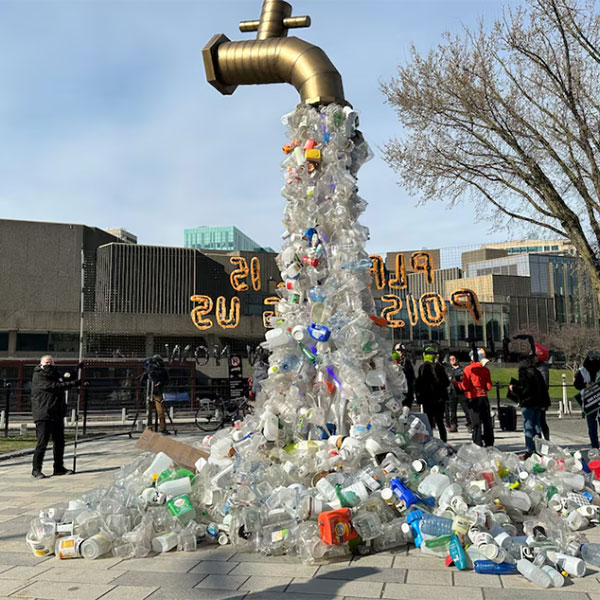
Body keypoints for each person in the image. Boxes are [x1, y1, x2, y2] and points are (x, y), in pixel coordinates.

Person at [31, 355, 79, 479]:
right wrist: (72, 384)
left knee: (59, 442)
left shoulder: (56, 375)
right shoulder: (38, 376)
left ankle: (58, 467)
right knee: (42, 442)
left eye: (51, 363)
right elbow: (54, 387)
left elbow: (64, 379)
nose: (49, 365)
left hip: (57, 413)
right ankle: (36, 469)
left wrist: (75, 371)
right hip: (43, 413)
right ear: (41, 364)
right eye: (47, 363)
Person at [508, 355, 551, 459]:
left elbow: (525, 389)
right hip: (538, 403)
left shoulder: (524, 372)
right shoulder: (537, 372)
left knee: (528, 427)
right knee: (537, 427)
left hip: (528, 403)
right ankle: (538, 450)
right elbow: (543, 389)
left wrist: (514, 389)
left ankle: (529, 450)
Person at [457, 348, 494, 447]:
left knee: (476, 423)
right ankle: (489, 442)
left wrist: (457, 384)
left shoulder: (468, 369)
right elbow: (489, 386)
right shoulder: (485, 369)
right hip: (483, 397)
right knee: (487, 421)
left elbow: (465, 386)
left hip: (472, 398)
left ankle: (478, 442)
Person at [415, 347, 449, 442]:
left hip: (427, 399)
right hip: (439, 399)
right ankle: (444, 441)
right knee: (440, 422)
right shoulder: (440, 367)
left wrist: (419, 398)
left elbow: (419, 384)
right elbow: (446, 382)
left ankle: (430, 440)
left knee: (429, 422)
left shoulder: (422, 368)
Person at [574, 349, 600, 448]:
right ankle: (595, 446)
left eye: (597, 358)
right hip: (588, 400)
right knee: (592, 425)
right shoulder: (582, 371)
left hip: (598, 397)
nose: (595, 360)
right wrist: (585, 385)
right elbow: (576, 384)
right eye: (592, 358)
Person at [141, 355, 170, 434]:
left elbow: (167, 381)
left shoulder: (163, 370)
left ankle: (163, 428)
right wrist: (149, 384)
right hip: (149, 392)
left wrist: (160, 383)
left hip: (158, 393)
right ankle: (149, 428)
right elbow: (142, 380)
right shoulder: (149, 369)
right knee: (149, 412)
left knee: (160, 411)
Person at [444, 354, 472, 433]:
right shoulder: (448, 370)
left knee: (466, 409)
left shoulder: (463, 369)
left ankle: (470, 424)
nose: (452, 360)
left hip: (461, 391)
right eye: (450, 359)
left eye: (453, 359)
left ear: (457, 360)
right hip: (451, 391)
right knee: (452, 410)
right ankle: (454, 425)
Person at [535, 343, 551, 440]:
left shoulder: (542, 368)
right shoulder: (535, 367)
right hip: (536, 398)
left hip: (540, 399)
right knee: (539, 421)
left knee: (541, 421)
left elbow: (545, 385)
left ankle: (546, 440)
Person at [394, 343, 415, 415]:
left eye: (401, 351)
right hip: (396, 392)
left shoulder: (407, 363)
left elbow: (411, 378)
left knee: (405, 413)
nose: (400, 352)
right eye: (398, 350)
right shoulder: (392, 363)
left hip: (406, 392)